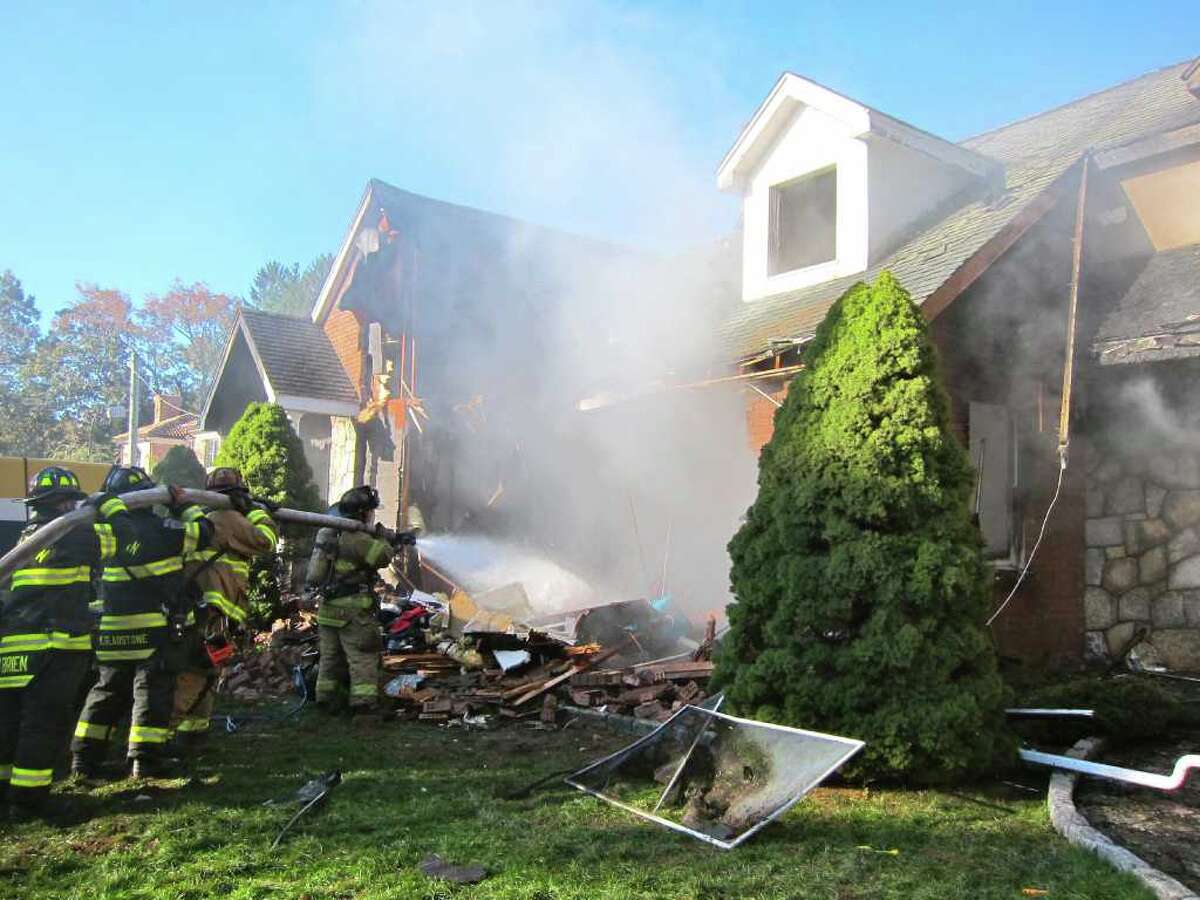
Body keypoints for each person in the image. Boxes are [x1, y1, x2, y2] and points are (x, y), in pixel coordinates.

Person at [0, 467, 133, 821]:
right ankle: (30, 803)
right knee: (43, 723)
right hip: (53, 645)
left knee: (10, 722)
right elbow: (123, 540)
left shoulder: (24, 538)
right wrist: (110, 506)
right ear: (63, 503)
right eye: (71, 500)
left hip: (14, 646)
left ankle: (6, 794)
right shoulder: (72, 535)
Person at [71, 467, 214, 779]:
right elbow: (205, 532)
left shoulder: (107, 535)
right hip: (153, 631)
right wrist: (183, 505)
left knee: (106, 692)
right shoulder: (167, 529)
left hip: (112, 632)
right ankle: (145, 762)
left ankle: (84, 759)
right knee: (152, 692)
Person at [170, 467, 277, 752]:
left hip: (204, 612)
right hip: (214, 614)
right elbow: (266, 540)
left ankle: (193, 736)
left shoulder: (204, 517)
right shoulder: (228, 518)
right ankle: (158, 739)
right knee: (195, 674)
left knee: (206, 672)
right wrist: (258, 512)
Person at [305, 485, 412, 717]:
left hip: (328, 609)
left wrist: (388, 537)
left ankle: (326, 700)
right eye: (371, 512)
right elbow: (381, 557)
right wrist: (385, 539)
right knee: (362, 656)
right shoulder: (356, 538)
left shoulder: (330, 532)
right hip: (352, 611)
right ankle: (363, 705)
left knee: (330, 658)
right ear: (363, 513)